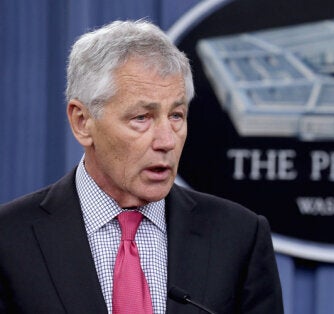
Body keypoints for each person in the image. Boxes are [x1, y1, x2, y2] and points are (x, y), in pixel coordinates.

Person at [0, 20, 283, 314]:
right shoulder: (10, 239)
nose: (166, 141)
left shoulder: (238, 236)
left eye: (176, 115)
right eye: (141, 117)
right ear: (82, 122)